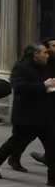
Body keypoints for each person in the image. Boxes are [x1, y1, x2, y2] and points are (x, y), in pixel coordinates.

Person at [0, 44, 55, 185]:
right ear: (35, 54)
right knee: (15, 143)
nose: (47, 55)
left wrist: (51, 86)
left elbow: (49, 87)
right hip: (27, 116)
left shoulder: (47, 67)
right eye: (44, 52)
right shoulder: (22, 67)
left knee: (52, 147)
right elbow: (19, 88)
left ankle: (52, 179)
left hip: (45, 115)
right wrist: (44, 85)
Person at [23, 36, 55, 167]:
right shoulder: (41, 65)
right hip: (40, 107)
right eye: (53, 46)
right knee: (23, 137)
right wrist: (46, 86)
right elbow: (24, 86)